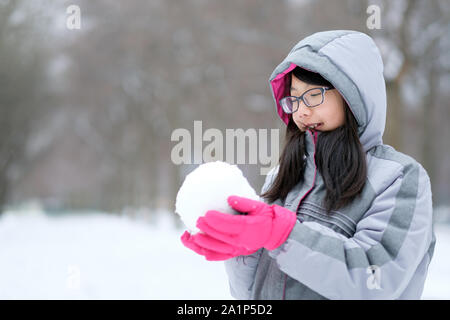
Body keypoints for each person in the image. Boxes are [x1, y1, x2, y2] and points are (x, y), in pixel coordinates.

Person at [180, 30, 436, 300]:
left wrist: (284, 234)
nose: (301, 111)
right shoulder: (285, 175)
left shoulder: (399, 178)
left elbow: (375, 280)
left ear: (354, 94)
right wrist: (242, 249)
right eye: (294, 98)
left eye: (313, 95)